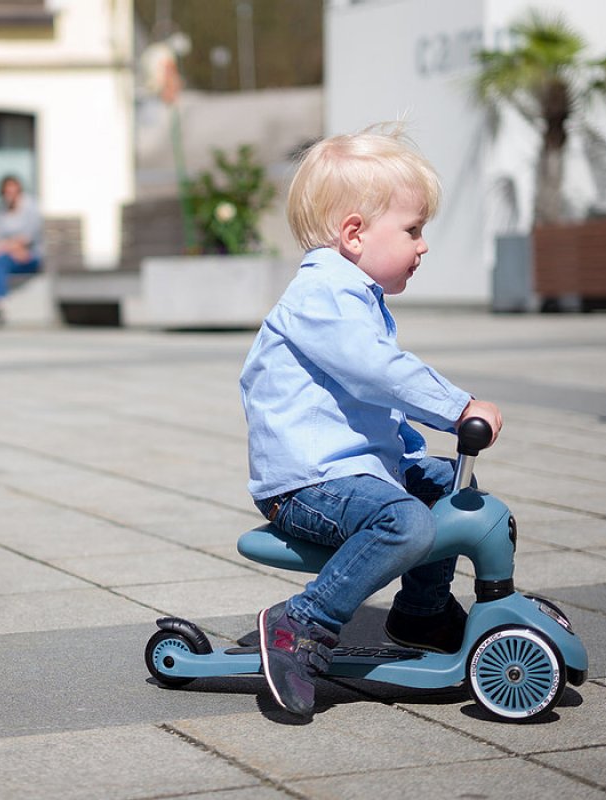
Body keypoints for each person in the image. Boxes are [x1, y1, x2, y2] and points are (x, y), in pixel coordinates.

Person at [239, 126, 503, 717]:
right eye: (413, 230)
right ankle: (301, 623)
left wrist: (411, 452)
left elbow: (367, 408)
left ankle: (422, 611)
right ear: (354, 234)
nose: (423, 245)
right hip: (307, 485)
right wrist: (457, 407)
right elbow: (376, 373)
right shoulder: (323, 297)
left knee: (445, 486)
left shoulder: (353, 296)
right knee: (408, 524)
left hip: (350, 473)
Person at [0, 175, 43, 325]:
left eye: (13, 191)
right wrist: (12, 248)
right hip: (10, 257)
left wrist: (11, 246)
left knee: (0, 261)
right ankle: (0, 302)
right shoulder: (1, 211)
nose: (10, 195)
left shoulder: (30, 206)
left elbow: (29, 237)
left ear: (19, 190)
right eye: (7, 192)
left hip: (30, 256)